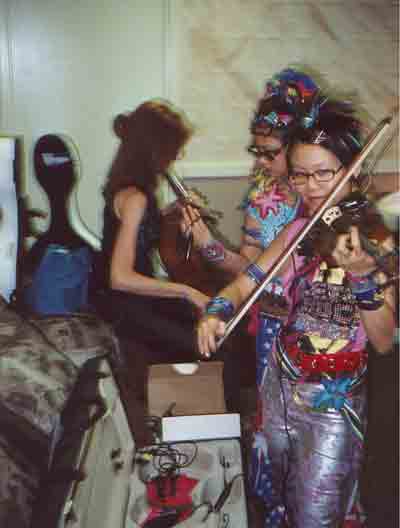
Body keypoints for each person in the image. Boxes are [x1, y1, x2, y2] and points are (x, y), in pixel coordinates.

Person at [196, 91, 397, 526]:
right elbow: (244, 282)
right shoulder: (297, 230)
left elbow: (382, 341)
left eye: (324, 174)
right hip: (280, 385)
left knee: (319, 511)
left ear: (354, 170)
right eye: (300, 176)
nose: (310, 189)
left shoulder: (377, 241)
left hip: (334, 400)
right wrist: (216, 310)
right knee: (280, 495)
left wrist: (362, 277)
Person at [100, 99, 210, 403]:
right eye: (174, 147)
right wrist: (186, 291)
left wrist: (172, 210)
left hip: (135, 299)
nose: (178, 154)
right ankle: (178, 409)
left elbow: (136, 234)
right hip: (127, 306)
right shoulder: (136, 198)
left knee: (201, 319)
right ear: (155, 149)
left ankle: (182, 405)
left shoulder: (127, 187)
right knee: (205, 339)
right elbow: (119, 276)